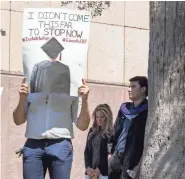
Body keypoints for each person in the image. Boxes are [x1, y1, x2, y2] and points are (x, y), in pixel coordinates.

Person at [13, 77, 90, 179]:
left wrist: (84, 100)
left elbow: (83, 126)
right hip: (33, 146)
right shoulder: (30, 83)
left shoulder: (73, 85)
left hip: (61, 144)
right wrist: (22, 98)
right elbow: (18, 120)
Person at [108, 76, 148, 179]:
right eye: (129, 87)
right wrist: (109, 153)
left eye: (133, 86)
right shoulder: (124, 108)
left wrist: (139, 165)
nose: (129, 90)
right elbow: (114, 131)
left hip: (132, 160)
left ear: (143, 89)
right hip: (115, 157)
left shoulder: (147, 111)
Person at [84, 104, 113, 179]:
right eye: (97, 117)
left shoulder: (111, 134)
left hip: (104, 173)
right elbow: (87, 151)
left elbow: (109, 154)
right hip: (90, 173)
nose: (99, 119)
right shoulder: (92, 131)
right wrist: (88, 167)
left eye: (102, 117)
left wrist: (99, 169)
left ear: (107, 117)